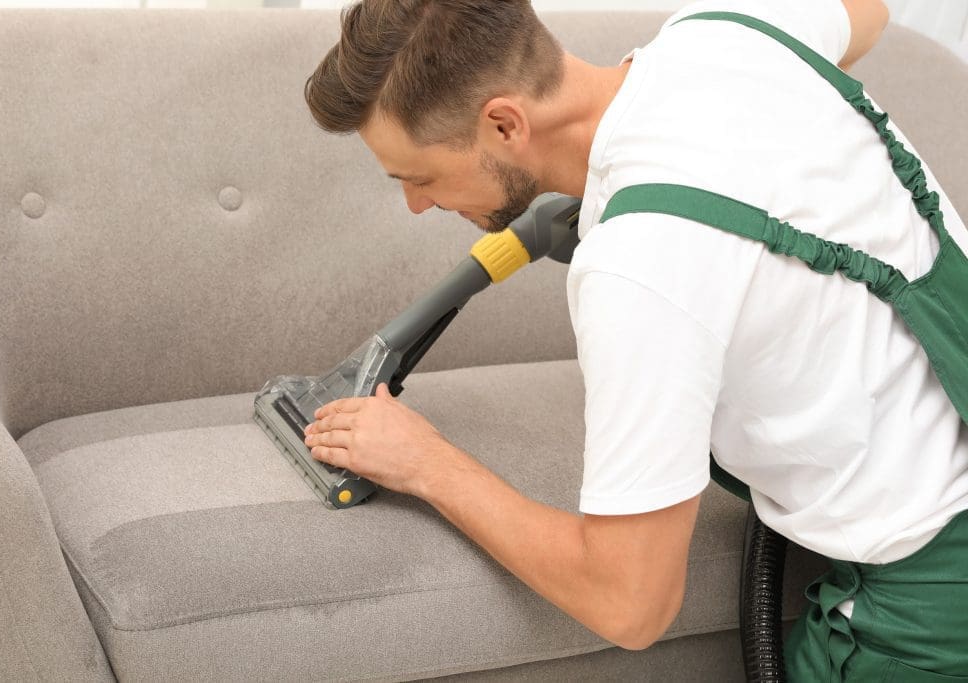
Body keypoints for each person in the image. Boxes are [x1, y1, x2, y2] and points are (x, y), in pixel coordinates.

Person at [301, 1, 968, 679]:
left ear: (505, 123)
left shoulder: (637, 265)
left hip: (934, 610)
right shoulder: (723, 28)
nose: (416, 205)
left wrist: (425, 462)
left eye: (418, 177)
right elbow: (867, 12)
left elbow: (630, 603)